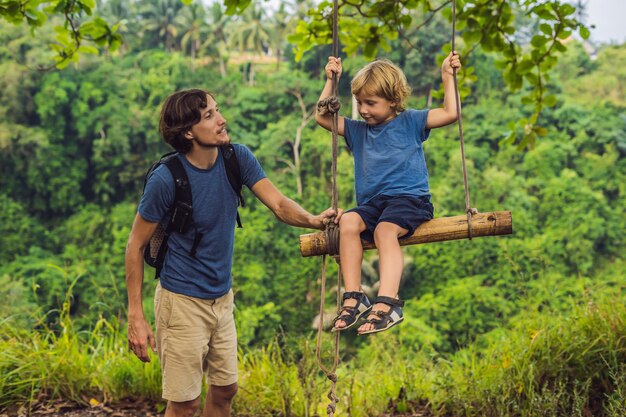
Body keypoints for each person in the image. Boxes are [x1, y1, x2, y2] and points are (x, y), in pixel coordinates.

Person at [125, 88, 339, 417]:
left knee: (225, 390)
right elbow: (135, 244)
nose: (222, 120)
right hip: (181, 303)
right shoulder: (167, 179)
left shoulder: (235, 158)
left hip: (222, 299)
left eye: (217, 110)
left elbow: (280, 205)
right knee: (184, 404)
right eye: (209, 116)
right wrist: (136, 316)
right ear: (187, 132)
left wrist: (312, 219)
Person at [315, 52, 461, 335]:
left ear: (393, 100)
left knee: (384, 232)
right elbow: (322, 117)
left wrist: (448, 77)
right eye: (359, 102)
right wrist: (331, 82)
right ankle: (354, 296)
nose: (363, 109)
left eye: (371, 103)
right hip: (373, 204)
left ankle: (388, 302)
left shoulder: (411, 122)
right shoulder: (358, 131)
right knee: (348, 222)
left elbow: (450, 113)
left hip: (410, 200)